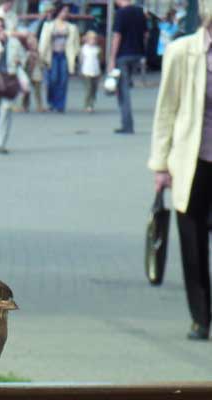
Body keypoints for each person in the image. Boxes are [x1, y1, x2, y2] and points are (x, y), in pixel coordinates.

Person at [148, 0, 212, 341]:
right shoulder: (181, 52)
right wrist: (160, 165)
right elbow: (165, 112)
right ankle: (201, 318)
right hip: (192, 163)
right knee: (193, 244)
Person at [108, 0, 147, 134]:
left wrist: (112, 58)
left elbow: (117, 36)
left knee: (123, 91)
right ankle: (126, 123)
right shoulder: (139, 12)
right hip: (137, 53)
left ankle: (127, 124)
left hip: (123, 55)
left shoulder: (121, 14)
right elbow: (145, 34)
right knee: (125, 86)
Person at [0, 17, 23, 154]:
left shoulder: (13, 42)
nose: (0, 30)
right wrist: (0, 41)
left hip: (9, 79)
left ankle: (1, 143)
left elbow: (21, 57)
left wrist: (20, 60)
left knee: (6, 110)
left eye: (2, 27)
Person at [39, 3, 80, 113]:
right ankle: (51, 102)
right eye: (63, 11)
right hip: (52, 54)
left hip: (64, 55)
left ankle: (60, 104)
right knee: (52, 79)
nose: (65, 14)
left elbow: (75, 44)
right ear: (58, 11)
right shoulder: (49, 25)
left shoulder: (71, 27)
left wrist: (76, 56)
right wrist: (41, 56)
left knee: (63, 80)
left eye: (67, 12)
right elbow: (43, 41)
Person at [23, 33, 46, 112]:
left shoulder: (39, 53)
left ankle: (39, 106)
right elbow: (24, 63)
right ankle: (25, 106)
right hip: (28, 73)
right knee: (26, 91)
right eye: (31, 43)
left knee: (37, 91)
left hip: (37, 73)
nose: (33, 45)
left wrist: (39, 61)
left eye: (34, 43)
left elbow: (43, 64)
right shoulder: (26, 53)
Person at [80, 30, 101, 113]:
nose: (93, 41)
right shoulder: (84, 49)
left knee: (94, 89)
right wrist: (81, 71)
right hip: (86, 71)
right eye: (91, 39)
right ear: (87, 40)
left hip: (95, 71)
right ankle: (87, 105)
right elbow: (81, 60)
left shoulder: (97, 49)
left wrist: (99, 72)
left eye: (94, 39)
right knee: (88, 89)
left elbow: (99, 60)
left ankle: (91, 104)